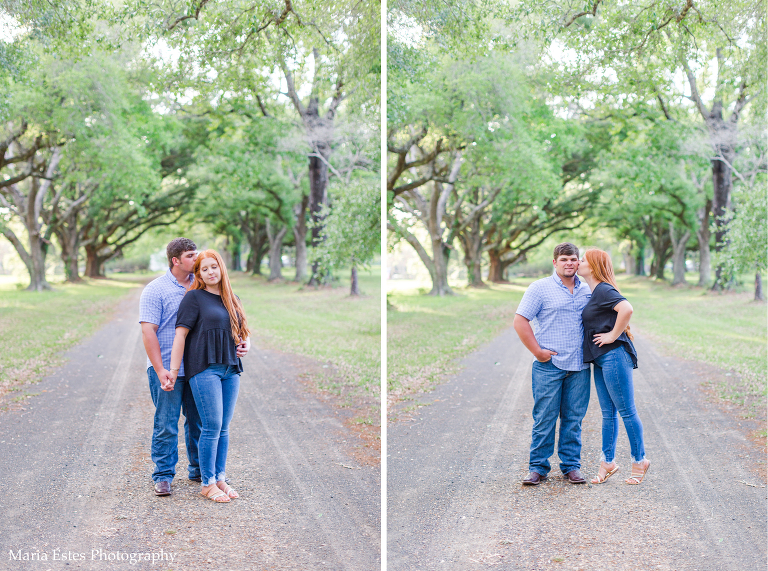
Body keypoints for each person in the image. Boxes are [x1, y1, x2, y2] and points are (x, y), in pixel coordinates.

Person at [167, 249, 251, 503]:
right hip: (204, 369)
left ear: (221, 268)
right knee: (211, 426)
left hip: (230, 368)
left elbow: (241, 329)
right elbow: (180, 335)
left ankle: (220, 477)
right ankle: (207, 483)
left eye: (214, 266)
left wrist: (247, 343)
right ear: (199, 274)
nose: (210, 272)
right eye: (204, 269)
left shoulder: (231, 297)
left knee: (224, 427)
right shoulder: (194, 298)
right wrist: (172, 371)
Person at [513, 242, 592, 486]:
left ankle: (571, 466)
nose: (569, 263)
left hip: (579, 366)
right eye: (564, 259)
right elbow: (520, 320)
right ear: (555, 262)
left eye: (573, 259)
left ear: (579, 262)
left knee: (573, 418)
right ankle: (537, 467)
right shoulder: (540, 288)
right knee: (544, 417)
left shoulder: (587, 290)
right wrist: (538, 352)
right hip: (549, 365)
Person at [577, 248, 650, 485]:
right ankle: (607, 462)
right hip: (600, 357)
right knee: (608, 413)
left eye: (582, 260)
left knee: (627, 410)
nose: (578, 262)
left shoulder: (603, 290)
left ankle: (640, 460)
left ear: (593, 266)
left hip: (614, 355)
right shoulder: (594, 291)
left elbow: (626, 309)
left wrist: (611, 336)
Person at [139, 238, 202, 496]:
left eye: (196, 254)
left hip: (198, 369)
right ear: (175, 260)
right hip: (165, 370)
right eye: (190, 256)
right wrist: (160, 369)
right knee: (166, 423)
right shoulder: (155, 290)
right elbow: (148, 332)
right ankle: (163, 475)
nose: (195, 260)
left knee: (197, 422)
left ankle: (199, 470)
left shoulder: (201, 286)